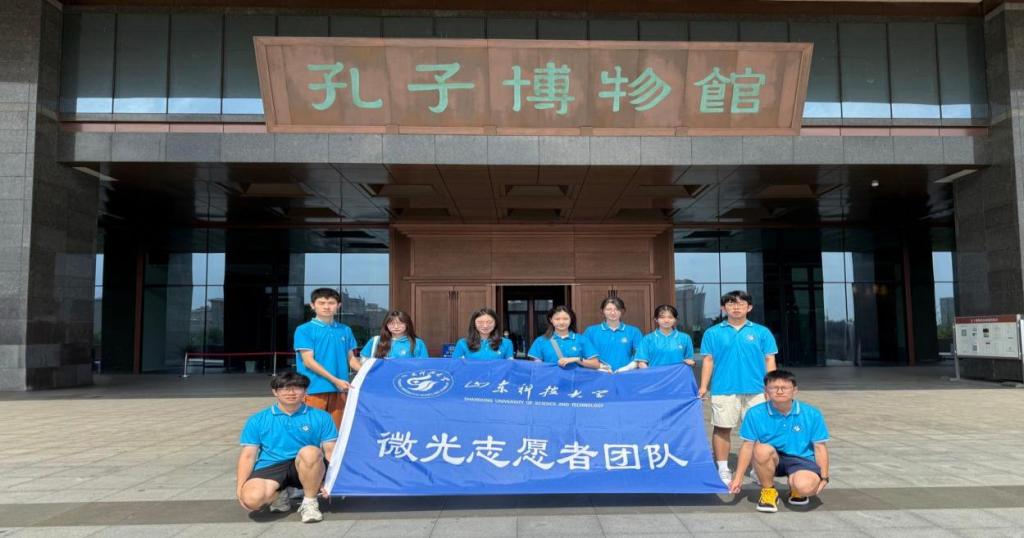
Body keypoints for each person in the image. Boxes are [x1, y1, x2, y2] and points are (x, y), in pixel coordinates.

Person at [698, 290, 778, 486]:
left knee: (759, 431)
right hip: (724, 388)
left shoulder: (761, 332)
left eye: (741, 304)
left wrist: (772, 385)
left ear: (749, 307)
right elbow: (708, 360)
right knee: (722, 428)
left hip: (757, 390)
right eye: (731, 303)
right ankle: (723, 468)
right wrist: (703, 386)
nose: (736, 307)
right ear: (723, 308)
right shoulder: (713, 333)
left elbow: (769, 359)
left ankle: (757, 469)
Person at [236, 372, 336, 523]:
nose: (291, 392)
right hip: (272, 464)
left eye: (297, 388)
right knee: (252, 500)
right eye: (284, 388)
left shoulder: (321, 417)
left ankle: (310, 502)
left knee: (310, 451)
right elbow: (248, 456)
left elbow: (330, 451)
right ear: (275, 392)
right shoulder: (257, 420)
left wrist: (331, 481)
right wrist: (240, 489)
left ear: (305, 391)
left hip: (306, 464)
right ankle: (281, 493)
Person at [728, 370, 830, 513]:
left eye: (785, 388)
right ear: (766, 391)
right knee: (760, 449)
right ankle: (769, 491)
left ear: (795, 390)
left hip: (801, 459)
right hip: (772, 458)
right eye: (774, 388)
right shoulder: (755, 413)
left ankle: (796, 489)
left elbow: (820, 447)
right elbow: (747, 446)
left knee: (805, 487)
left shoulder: (812, 414)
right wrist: (738, 478)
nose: (780, 391)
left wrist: (824, 477)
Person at [294, 288, 358, 429]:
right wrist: (335, 380)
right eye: (321, 303)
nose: (327, 307)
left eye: (331, 303)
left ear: (338, 305)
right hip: (314, 388)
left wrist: (371, 372)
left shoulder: (345, 330)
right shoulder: (304, 330)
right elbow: (308, 361)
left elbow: (352, 360)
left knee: (337, 431)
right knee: (311, 431)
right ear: (312, 305)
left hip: (340, 390)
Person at [527, 305, 601, 369]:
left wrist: (577, 359)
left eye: (565, 319)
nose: (561, 322)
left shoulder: (582, 340)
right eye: (557, 319)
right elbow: (536, 366)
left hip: (575, 380)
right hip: (551, 381)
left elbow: (596, 364)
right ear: (551, 320)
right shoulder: (541, 341)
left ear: (571, 319)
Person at [583, 296, 643, 372]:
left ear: (623, 311)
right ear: (602, 311)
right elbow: (583, 354)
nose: (613, 312)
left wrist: (628, 367)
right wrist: (599, 367)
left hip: (626, 374)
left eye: (617, 309)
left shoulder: (634, 331)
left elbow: (641, 355)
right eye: (608, 309)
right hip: (597, 374)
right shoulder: (591, 331)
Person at [634, 304, 696, 370]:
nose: (666, 320)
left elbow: (690, 360)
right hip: (656, 376)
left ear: (675, 319)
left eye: (670, 317)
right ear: (656, 319)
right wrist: (651, 374)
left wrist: (692, 363)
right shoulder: (647, 339)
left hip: (678, 376)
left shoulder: (685, 338)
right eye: (662, 317)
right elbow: (641, 363)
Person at [357, 310, 429, 361]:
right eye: (392, 324)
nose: (396, 327)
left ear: (407, 324)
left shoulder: (417, 343)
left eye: (400, 323)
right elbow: (364, 361)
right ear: (386, 325)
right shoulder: (375, 341)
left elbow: (424, 365)